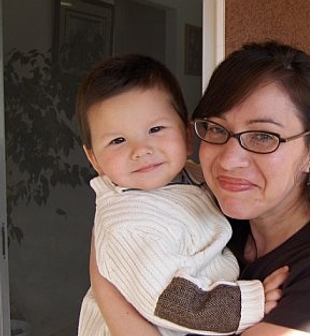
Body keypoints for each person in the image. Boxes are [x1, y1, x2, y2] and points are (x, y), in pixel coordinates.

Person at [89, 41, 310, 336]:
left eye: (264, 136)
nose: (229, 160)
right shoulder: (217, 220)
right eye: (216, 129)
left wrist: (106, 291)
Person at [75, 54, 288, 336]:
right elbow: (167, 299)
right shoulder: (127, 221)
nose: (141, 150)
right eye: (117, 140)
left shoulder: (193, 177)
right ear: (94, 160)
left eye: (155, 129)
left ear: (188, 135)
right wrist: (249, 302)